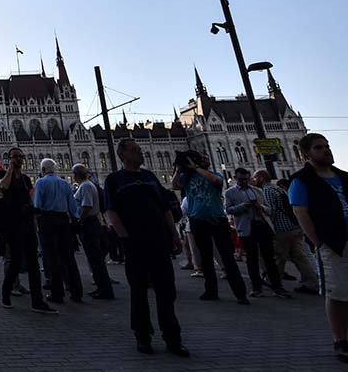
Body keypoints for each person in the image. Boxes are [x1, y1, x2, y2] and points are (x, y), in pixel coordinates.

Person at [105, 138, 188, 357]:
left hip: (159, 240)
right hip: (135, 243)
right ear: (123, 155)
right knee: (139, 291)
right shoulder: (114, 180)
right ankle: (143, 336)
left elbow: (164, 208)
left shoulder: (150, 177)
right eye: (135, 150)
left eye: (140, 149)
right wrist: (124, 237)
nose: (141, 153)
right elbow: (111, 211)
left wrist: (174, 234)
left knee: (166, 291)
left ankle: (173, 337)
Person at [289, 133, 348, 363]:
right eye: (318, 147)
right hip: (331, 242)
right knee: (338, 292)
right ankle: (340, 340)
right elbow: (300, 212)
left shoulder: (343, 177)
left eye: (327, 146)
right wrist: (318, 242)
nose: (326, 150)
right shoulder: (301, 180)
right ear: (306, 154)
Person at [172, 150, 248, 304]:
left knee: (227, 257)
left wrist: (196, 168)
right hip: (198, 221)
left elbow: (216, 181)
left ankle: (240, 293)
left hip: (217, 220)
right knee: (206, 259)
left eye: (204, 159)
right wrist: (179, 168)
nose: (204, 160)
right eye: (202, 158)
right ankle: (211, 291)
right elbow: (174, 185)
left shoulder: (215, 175)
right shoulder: (187, 177)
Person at [0, 148, 56, 314]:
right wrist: (10, 169)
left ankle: (37, 301)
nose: (18, 159)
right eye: (15, 156)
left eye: (20, 157)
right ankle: (5, 292)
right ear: (9, 158)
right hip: (12, 226)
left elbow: (30, 198)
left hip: (27, 224)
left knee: (33, 264)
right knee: (15, 263)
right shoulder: (4, 176)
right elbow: (3, 188)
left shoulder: (25, 179)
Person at [225, 166, 290, 298]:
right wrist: (244, 206)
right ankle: (256, 287)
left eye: (246, 179)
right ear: (236, 178)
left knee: (269, 258)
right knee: (251, 259)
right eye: (241, 179)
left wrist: (261, 207)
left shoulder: (258, 191)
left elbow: (270, 209)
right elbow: (229, 210)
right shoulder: (229, 193)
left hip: (262, 226)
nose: (244, 181)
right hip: (247, 228)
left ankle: (277, 287)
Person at [258, 170, 319, 294]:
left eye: (255, 178)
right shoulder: (278, 188)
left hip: (282, 229)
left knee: (279, 258)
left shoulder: (267, 191)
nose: (254, 180)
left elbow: (272, 212)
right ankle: (312, 283)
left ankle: (274, 282)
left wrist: (261, 210)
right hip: (294, 227)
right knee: (300, 257)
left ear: (261, 178)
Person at [33, 158, 83, 304]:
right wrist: (75, 220)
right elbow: (73, 207)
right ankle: (76, 292)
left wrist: (37, 221)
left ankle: (57, 293)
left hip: (48, 221)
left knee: (52, 258)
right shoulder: (64, 183)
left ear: (43, 170)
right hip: (63, 221)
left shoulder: (40, 182)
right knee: (68, 258)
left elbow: (37, 205)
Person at [72, 164, 114, 299]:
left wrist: (80, 221)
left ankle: (105, 289)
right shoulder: (88, 185)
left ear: (75, 174)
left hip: (89, 224)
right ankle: (101, 287)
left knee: (95, 258)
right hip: (91, 223)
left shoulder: (85, 186)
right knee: (94, 258)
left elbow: (87, 205)